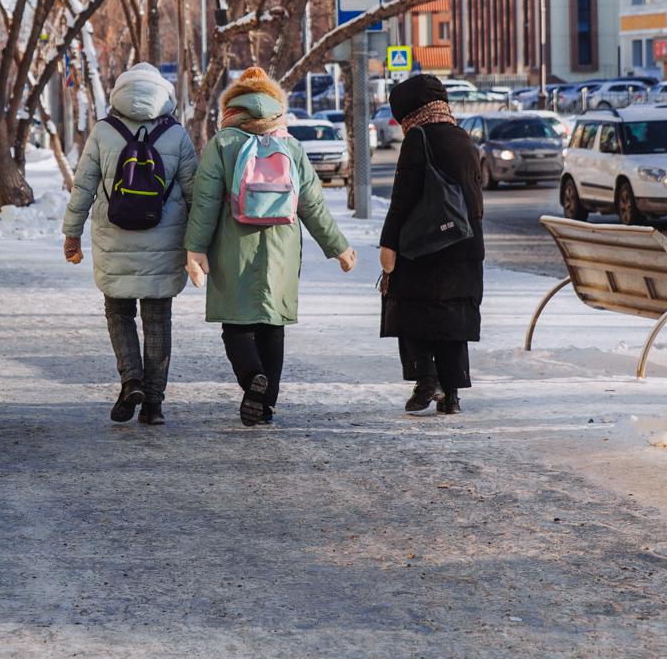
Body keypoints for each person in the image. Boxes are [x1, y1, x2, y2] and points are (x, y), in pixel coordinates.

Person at [183, 67, 357, 426]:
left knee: (236, 324)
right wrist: (338, 247)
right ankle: (264, 404)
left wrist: (195, 249)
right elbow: (312, 204)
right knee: (271, 325)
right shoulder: (290, 146)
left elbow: (205, 202)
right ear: (275, 104)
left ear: (233, 104)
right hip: (281, 249)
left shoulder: (223, 144)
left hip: (233, 248)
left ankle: (251, 380)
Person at [63, 62, 199, 425]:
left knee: (118, 313)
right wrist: (200, 244)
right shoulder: (177, 135)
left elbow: (84, 188)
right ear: (163, 94)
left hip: (114, 238)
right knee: (158, 320)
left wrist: (71, 233)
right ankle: (153, 404)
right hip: (165, 240)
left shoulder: (103, 132)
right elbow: (194, 195)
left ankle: (131, 379)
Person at [378, 73, 485, 415]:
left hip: (424, 246)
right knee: (453, 319)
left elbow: (403, 198)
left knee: (408, 307)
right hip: (465, 245)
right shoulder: (463, 137)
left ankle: (426, 380)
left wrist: (388, 242)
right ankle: (451, 396)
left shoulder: (418, 138)